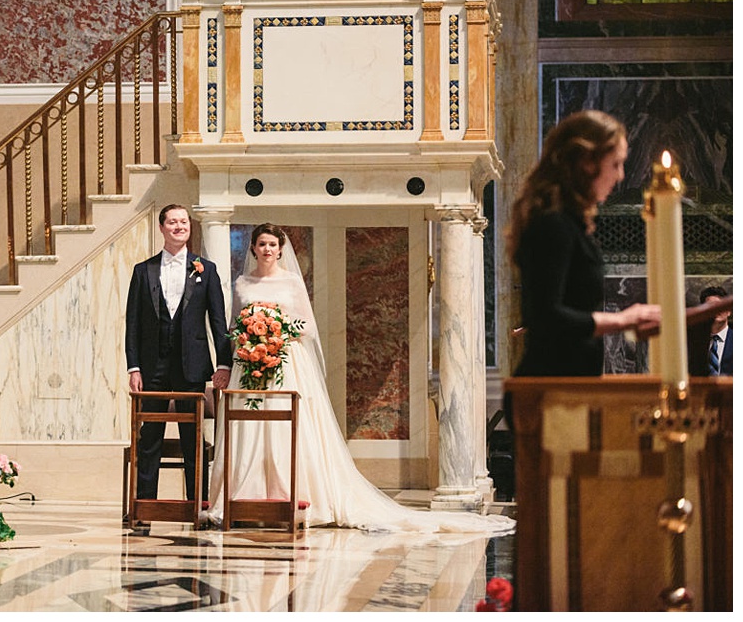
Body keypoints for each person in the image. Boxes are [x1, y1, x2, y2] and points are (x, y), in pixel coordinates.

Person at [207, 223, 515, 533]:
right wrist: (250, 336)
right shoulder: (242, 283)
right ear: (253, 248)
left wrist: (277, 329)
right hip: (249, 365)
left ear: (281, 249)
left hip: (286, 364)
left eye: (273, 244)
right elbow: (233, 326)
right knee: (248, 427)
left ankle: (294, 495)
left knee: (289, 428)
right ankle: (244, 496)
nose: (267, 250)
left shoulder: (290, 282)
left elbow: (308, 328)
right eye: (262, 244)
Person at [507, 110, 661, 379]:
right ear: (588, 162)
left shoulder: (567, 222)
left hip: (569, 383)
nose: (621, 175)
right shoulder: (552, 224)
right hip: (549, 388)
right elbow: (545, 317)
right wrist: (623, 320)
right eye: (616, 164)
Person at [125, 204, 232, 503]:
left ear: (189, 227)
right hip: (152, 366)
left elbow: (219, 321)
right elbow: (132, 323)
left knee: (192, 439)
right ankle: (145, 505)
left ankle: (197, 505)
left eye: (183, 221)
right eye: (172, 222)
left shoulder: (205, 269)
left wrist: (223, 362)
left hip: (193, 367)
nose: (179, 226)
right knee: (150, 438)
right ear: (162, 228)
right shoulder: (142, 270)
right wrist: (134, 367)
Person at [700, 285, 732, 376]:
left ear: (729, 311)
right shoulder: (693, 343)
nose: (716, 310)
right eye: (711, 307)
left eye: (720, 306)